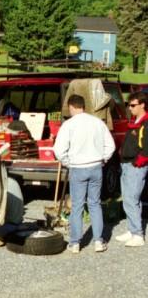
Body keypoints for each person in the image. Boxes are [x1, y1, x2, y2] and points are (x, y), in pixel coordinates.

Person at [53, 93, 115, 253]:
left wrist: (68, 162)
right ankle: (99, 242)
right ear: (84, 106)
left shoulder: (68, 125)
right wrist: (103, 159)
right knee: (95, 204)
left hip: (78, 167)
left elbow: (58, 150)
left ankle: (75, 243)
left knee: (77, 206)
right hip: (96, 167)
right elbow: (111, 146)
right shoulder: (97, 123)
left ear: (71, 107)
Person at [115, 91, 148, 247]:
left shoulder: (145, 123)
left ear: (142, 105)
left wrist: (138, 162)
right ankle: (132, 228)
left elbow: (146, 148)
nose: (130, 108)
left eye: (133, 105)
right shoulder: (135, 121)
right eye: (129, 105)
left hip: (135, 166)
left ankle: (137, 235)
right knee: (128, 198)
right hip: (127, 164)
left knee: (132, 199)